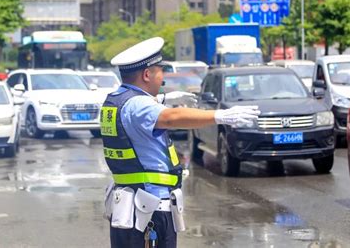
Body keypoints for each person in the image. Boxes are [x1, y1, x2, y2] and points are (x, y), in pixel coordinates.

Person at [102, 37, 260, 248]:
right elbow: (171, 118)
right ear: (147, 74)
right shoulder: (139, 105)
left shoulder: (116, 99)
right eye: (160, 71)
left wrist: (163, 99)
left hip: (129, 204)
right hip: (150, 208)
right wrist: (220, 116)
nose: (163, 78)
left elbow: (137, 111)